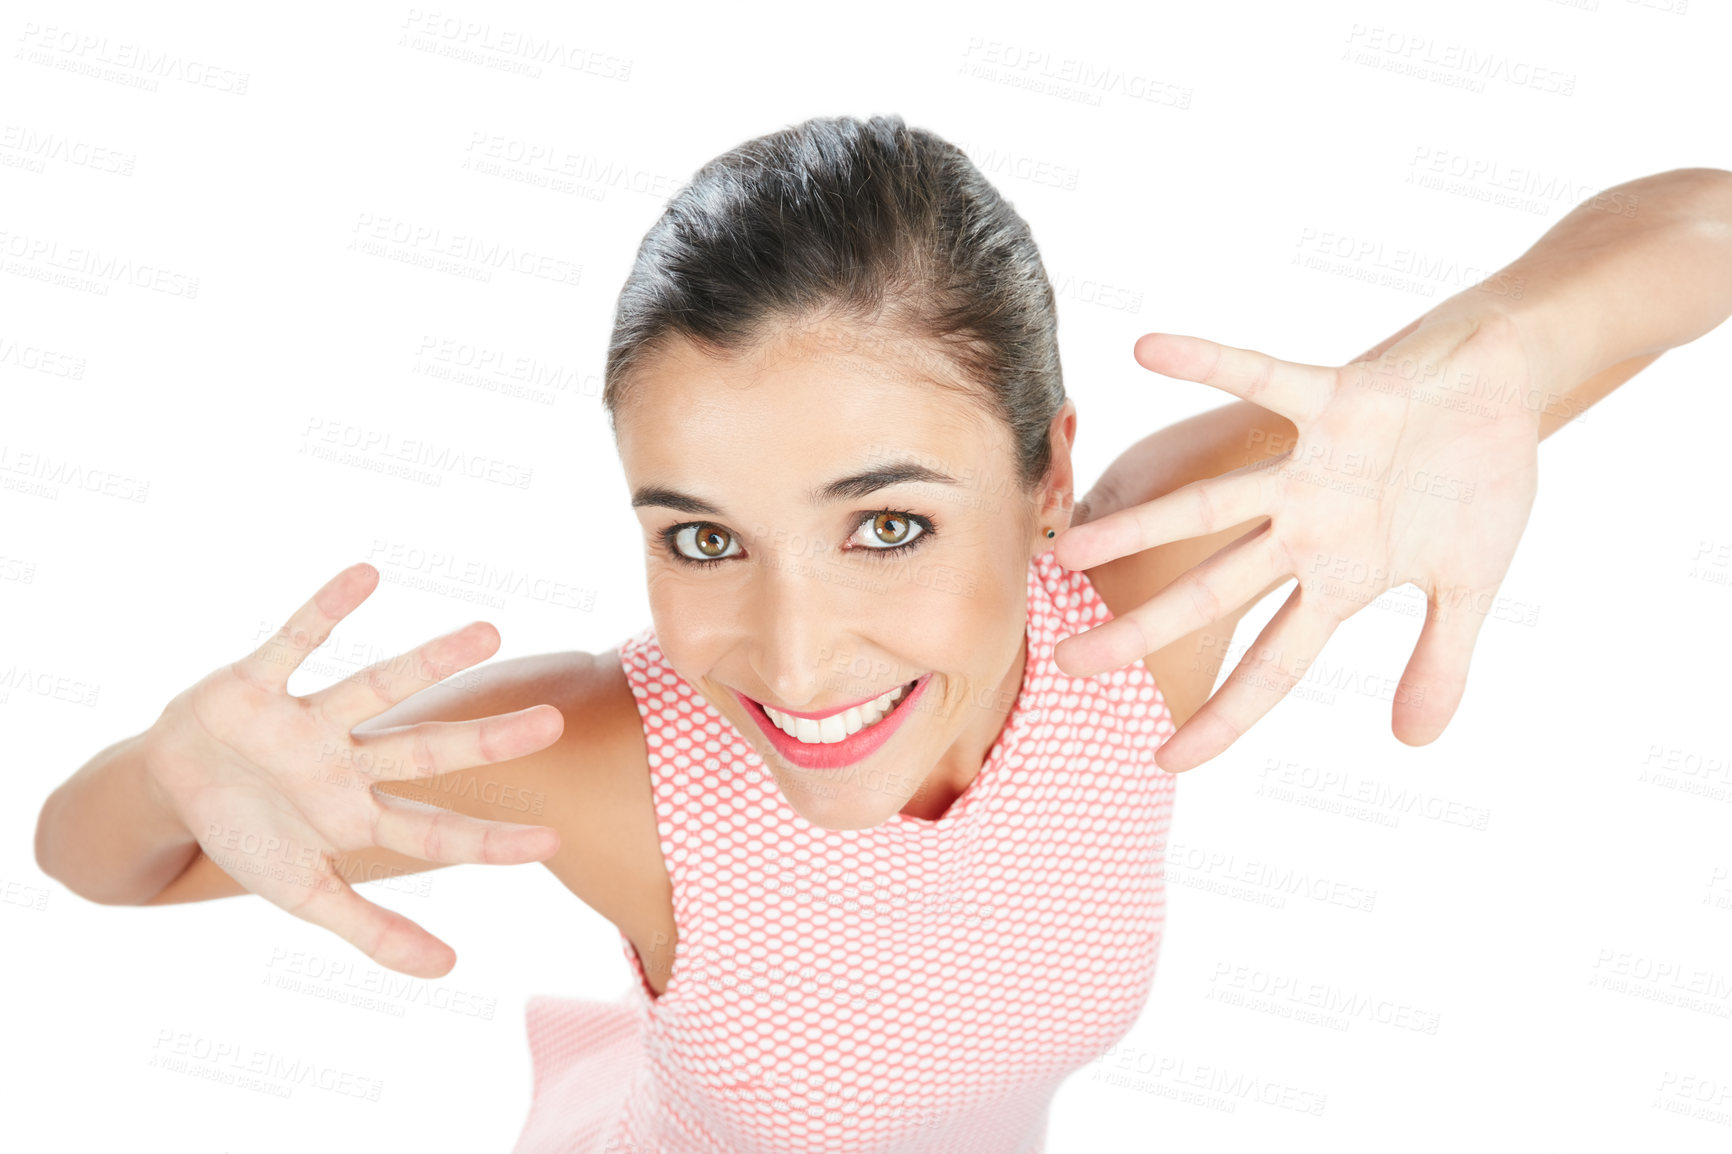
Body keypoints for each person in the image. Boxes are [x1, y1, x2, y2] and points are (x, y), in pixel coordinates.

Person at [31, 115, 1732, 1152]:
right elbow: (105, 856)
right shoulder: (628, 764)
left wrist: (1503, 343)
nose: (792, 648)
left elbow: (1702, 219)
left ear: (1052, 475)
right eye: (702, 536)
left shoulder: (1145, 602)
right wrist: (163, 763)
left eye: (890, 523)